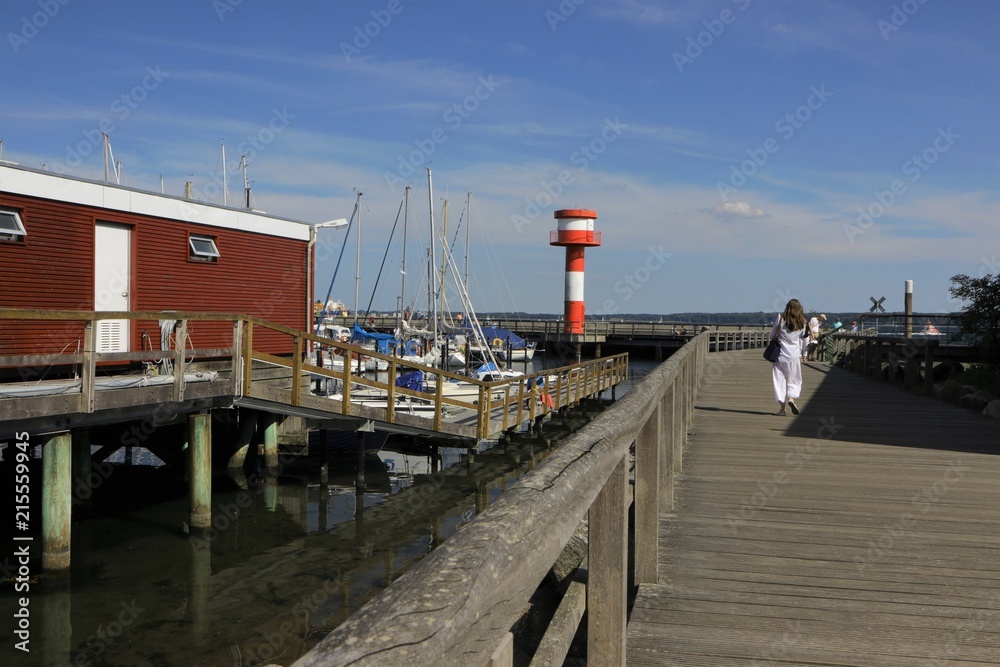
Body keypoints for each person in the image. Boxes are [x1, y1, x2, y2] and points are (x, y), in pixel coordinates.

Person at [770, 299, 809, 416]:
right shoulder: (802, 321)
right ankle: (791, 399)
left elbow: (773, 335)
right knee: (795, 379)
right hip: (794, 355)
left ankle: (782, 409)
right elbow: (803, 337)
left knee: (779, 380)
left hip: (780, 355)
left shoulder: (780, 318)